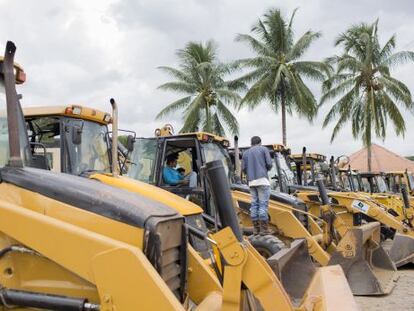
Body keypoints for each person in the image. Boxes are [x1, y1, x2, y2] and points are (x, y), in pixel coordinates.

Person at [241, 136, 273, 235]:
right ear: (260, 142)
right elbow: (269, 164)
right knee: (263, 204)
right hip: (262, 180)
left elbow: (243, 168)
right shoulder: (264, 149)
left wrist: (250, 173)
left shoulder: (245, 153)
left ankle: (256, 229)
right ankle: (264, 230)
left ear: (251, 143)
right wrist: (265, 169)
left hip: (251, 182)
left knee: (254, 204)